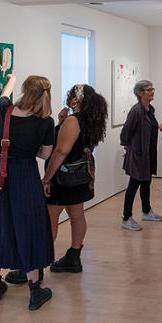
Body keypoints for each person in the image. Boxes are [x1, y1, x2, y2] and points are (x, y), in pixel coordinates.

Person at [0, 75, 55, 311]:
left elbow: (4, 95)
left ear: (25, 90)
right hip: (25, 174)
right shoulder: (45, 122)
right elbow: (45, 155)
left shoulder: (6, 111)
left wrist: (11, 79)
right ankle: (35, 291)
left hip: (0, 174)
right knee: (30, 228)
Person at [43, 84, 108, 273]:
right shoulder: (90, 119)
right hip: (80, 176)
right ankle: (74, 256)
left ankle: (37, 263)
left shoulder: (74, 121)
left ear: (75, 100)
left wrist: (46, 179)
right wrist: (61, 122)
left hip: (63, 178)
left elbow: (61, 151)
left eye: (70, 96)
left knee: (50, 219)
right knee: (77, 214)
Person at [120, 80, 162, 231]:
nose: (151, 91)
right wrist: (130, 148)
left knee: (146, 182)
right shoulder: (136, 111)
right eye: (147, 90)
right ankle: (126, 218)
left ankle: (146, 211)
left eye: (152, 89)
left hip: (149, 153)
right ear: (139, 93)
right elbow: (125, 133)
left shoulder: (149, 109)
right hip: (139, 154)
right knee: (134, 184)